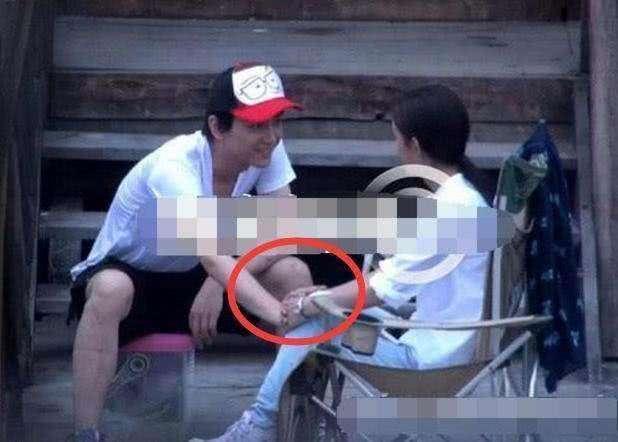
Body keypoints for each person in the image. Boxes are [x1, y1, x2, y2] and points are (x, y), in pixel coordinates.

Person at [193, 84, 494, 442]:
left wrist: (312, 304)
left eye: (396, 139)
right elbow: (396, 289)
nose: (396, 149)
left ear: (413, 144)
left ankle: (258, 426)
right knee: (322, 310)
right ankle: (271, 424)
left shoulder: (450, 209)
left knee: (317, 319)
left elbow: (380, 290)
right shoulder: (466, 197)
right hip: (439, 341)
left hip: (427, 362)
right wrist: (321, 298)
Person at [68, 63, 316, 442]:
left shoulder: (268, 150)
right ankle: (85, 433)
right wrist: (278, 313)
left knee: (292, 274)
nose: (271, 135)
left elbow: (284, 233)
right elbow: (211, 255)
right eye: (256, 125)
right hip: (134, 277)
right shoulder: (174, 166)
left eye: (277, 122)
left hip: (199, 273)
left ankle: (281, 424)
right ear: (217, 127)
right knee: (110, 289)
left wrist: (216, 285)